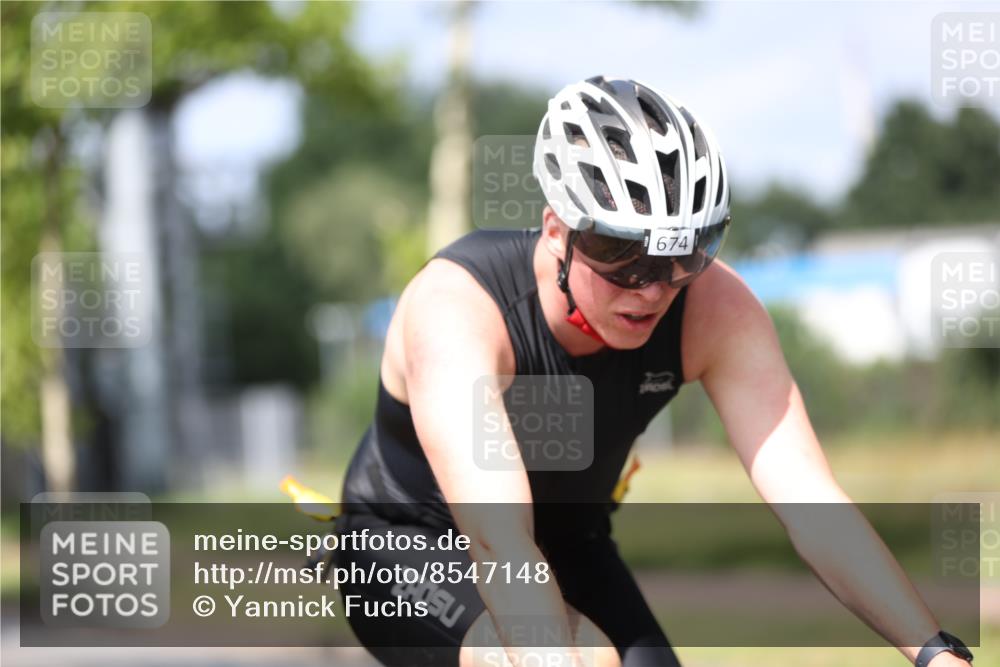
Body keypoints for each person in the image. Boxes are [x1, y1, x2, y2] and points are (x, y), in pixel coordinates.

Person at [331, 76, 974, 667]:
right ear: (558, 230)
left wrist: (935, 654)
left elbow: (812, 505)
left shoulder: (715, 310)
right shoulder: (461, 308)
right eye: (620, 254)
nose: (651, 289)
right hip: (412, 543)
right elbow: (501, 543)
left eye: (682, 256)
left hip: (572, 542)